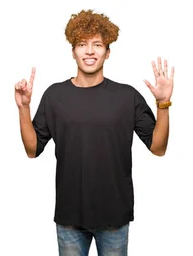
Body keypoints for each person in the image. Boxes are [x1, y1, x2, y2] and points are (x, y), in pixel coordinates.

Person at [14, 9, 173, 256]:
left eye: (97, 44)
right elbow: (32, 149)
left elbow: (159, 148)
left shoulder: (127, 96)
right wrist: (24, 108)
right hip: (69, 217)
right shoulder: (55, 95)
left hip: (114, 217)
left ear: (107, 52)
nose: (89, 51)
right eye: (82, 44)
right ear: (73, 51)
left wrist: (163, 104)